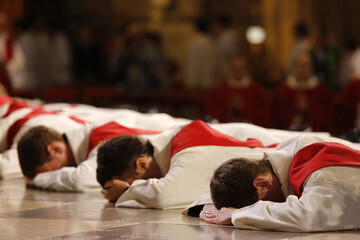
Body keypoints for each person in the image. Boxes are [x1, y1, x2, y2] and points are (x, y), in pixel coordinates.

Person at [96, 120, 303, 209]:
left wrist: (128, 189)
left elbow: (166, 195)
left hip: (301, 159)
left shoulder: (189, 149)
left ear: (142, 163)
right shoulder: (174, 141)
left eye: (134, 178)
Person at [200, 135, 360, 232]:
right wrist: (210, 209)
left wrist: (237, 214)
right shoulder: (280, 158)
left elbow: (306, 216)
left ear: (262, 185)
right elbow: (230, 180)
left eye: (256, 204)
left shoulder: (323, 175)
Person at [17, 121, 162, 191]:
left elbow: (81, 179)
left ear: (55, 149)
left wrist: (38, 180)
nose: (57, 173)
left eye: (52, 171)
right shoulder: (91, 136)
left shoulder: (103, 139)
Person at [272, 51, 335, 132]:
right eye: (301, 66)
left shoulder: (321, 91)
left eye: (306, 66)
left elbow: (327, 118)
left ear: (312, 68)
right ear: (295, 68)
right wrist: (296, 111)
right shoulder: (283, 90)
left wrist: (308, 109)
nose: (303, 70)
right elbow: (277, 117)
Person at [203, 56, 271, 127]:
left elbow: (265, 117)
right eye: (234, 67)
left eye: (241, 67)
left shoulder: (258, 91)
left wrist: (244, 109)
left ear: (248, 69)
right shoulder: (219, 90)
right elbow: (209, 115)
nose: (237, 70)